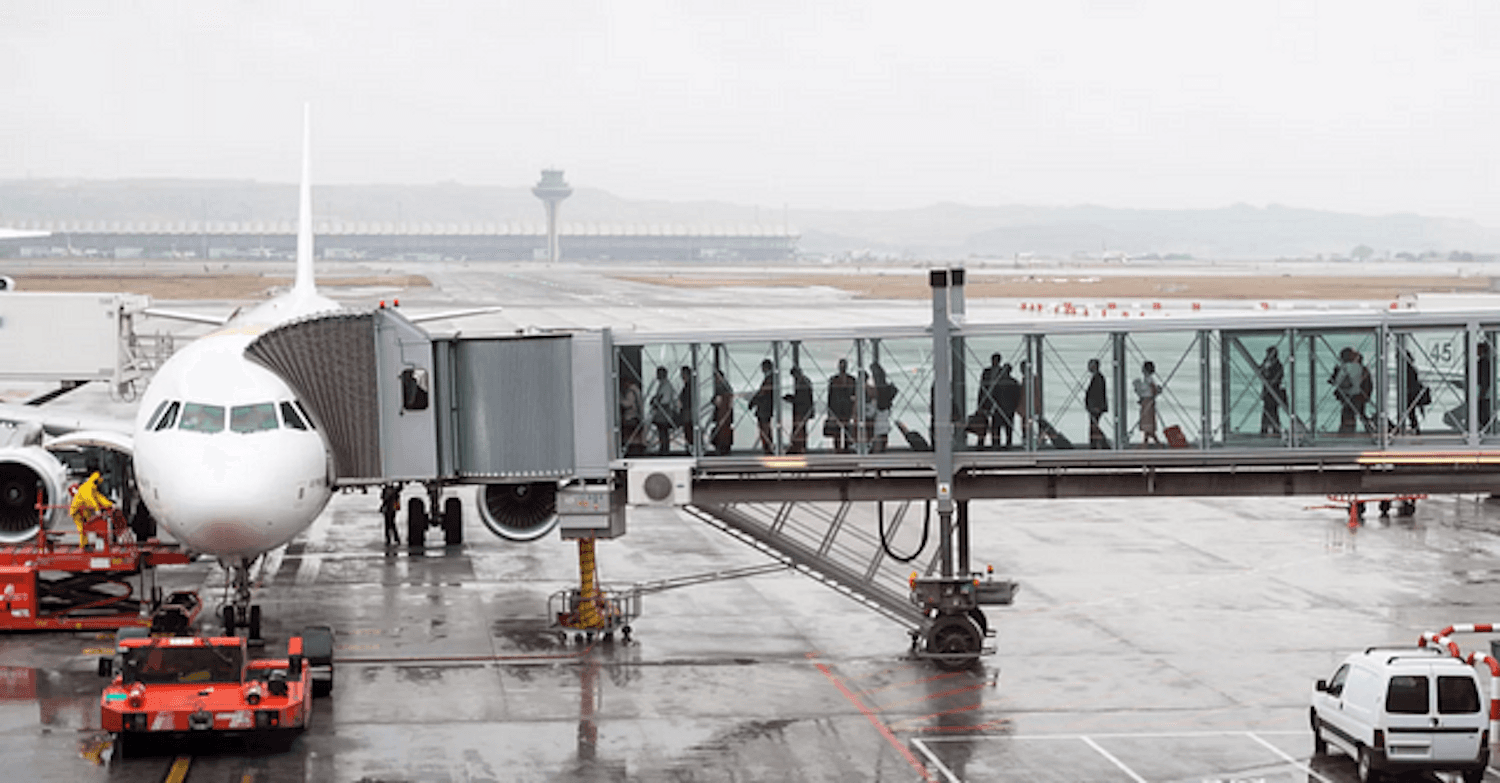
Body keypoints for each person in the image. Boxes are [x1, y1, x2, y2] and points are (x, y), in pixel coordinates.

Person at [70, 471, 113, 548]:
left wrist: (110, 504)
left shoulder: (93, 487)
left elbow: (99, 497)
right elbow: (89, 499)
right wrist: (96, 509)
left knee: (86, 526)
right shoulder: (87, 487)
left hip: (84, 510)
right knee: (82, 528)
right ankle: (84, 545)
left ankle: (90, 543)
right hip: (77, 511)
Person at [1328, 347, 1361, 434]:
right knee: (1353, 413)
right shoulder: (1359, 367)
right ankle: (1352, 429)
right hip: (1358, 394)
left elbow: (1337, 381)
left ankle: (1345, 431)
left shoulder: (1345, 367)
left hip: (1347, 393)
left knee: (1346, 412)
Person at [826, 359, 857, 453]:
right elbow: (830, 396)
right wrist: (830, 411)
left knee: (847, 430)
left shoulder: (851, 380)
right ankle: (838, 449)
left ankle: (846, 448)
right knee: (837, 432)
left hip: (847, 409)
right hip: (837, 409)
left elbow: (855, 395)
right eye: (841, 366)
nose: (842, 368)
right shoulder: (834, 380)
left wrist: (854, 409)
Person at [748, 359, 777, 454]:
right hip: (766, 408)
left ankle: (768, 447)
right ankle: (768, 447)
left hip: (765, 409)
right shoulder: (771, 379)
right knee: (765, 428)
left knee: (764, 428)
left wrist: (753, 401)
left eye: (763, 367)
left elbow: (763, 393)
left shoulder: (769, 380)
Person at [649, 366, 678, 454]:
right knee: (662, 430)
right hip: (662, 408)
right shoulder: (663, 384)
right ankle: (664, 447)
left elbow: (662, 398)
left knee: (663, 429)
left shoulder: (666, 385)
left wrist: (655, 401)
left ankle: (664, 448)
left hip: (664, 408)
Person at [976, 353, 1003, 449]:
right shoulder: (986, 371)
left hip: (997, 400)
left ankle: (996, 443)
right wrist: (979, 402)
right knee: (982, 423)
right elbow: (982, 387)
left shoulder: (1002, 372)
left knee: (996, 424)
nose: (994, 362)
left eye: (996, 360)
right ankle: (980, 442)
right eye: (993, 360)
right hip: (986, 399)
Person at [785, 366, 814, 454]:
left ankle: (798, 447)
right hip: (804, 410)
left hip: (802, 410)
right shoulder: (805, 381)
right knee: (801, 428)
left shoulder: (802, 382)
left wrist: (791, 399)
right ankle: (800, 446)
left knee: (799, 429)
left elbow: (802, 399)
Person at [1259, 346, 1285, 437]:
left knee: (1273, 411)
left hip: (1274, 390)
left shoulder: (1278, 365)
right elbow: (1260, 372)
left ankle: (1275, 429)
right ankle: (1265, 429)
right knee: (1266, 410)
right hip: (1267, 391)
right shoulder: (1266, 363)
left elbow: (1278, 377)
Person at [1134, 361, 1162, 446]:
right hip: (1146, 401)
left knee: (1147, 422)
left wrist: (1153, 395)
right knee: (1147, 423)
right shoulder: (1147, 379)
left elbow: (1153, 390)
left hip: (1148, 402)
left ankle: (1151, 442)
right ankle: (1147, 442)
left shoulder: (1149, 379)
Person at [869, 361, 894, 453]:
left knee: (879, 440)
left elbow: (872, 411)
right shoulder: (884, 389)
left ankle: (877, 456)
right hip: (885, 418)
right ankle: (881, 454)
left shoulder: (878, 393)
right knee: (883, 439)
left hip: (879, 420)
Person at [994, 363, 1020, 449]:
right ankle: (1007, 445)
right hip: (1007, 409)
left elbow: (994, 395)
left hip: (1000, 408)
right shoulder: (1014, 382)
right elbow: (1017, 396)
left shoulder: (997, 382)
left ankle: (997, 445)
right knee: (1007, 429)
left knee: (999, 428)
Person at [1401, 348, 1427, 435]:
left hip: (1410, 393)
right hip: (1412, 392)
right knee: (1410, 412)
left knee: (1410, 412)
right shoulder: (1411, 368)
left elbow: (1410, 382)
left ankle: (1414, 427)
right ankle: (1414, 427)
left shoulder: (1407, 369)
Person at [1085, 358, 1108, 449]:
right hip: (1094, 407)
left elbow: (1098, 393)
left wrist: (1097, 406)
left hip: (1096, 407)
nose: (1088, 367)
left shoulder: (1098, 378)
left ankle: (1099, 444)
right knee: (1094, 426)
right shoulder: (1096, 377)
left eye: (1090, 365)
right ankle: (1097, 444)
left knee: (1094, 426)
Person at [711, 369, 734, 455]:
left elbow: (722, 400)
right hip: (723, 414)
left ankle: (723, 448)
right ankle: (723, 447)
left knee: (722, 431)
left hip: (723, 414)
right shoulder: (724, 387)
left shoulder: (722, 387)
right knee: (722, 430)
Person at [620, 378, 645, 456]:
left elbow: (628, 403)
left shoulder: (630, 392)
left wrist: (620, 400)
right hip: (635, 416)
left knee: (630, 436)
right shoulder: (636, 391)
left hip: (631, 416)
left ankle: (633, 451)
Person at [678, 366, 695, 454]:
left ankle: (691, 447)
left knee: (688, 428)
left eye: (682, 374)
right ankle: (691, 446)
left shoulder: (689, 386)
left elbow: (687, 399)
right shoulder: (689, 385)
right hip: (687, 410)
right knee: (688, 429)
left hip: (688, 410)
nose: (681, 376)